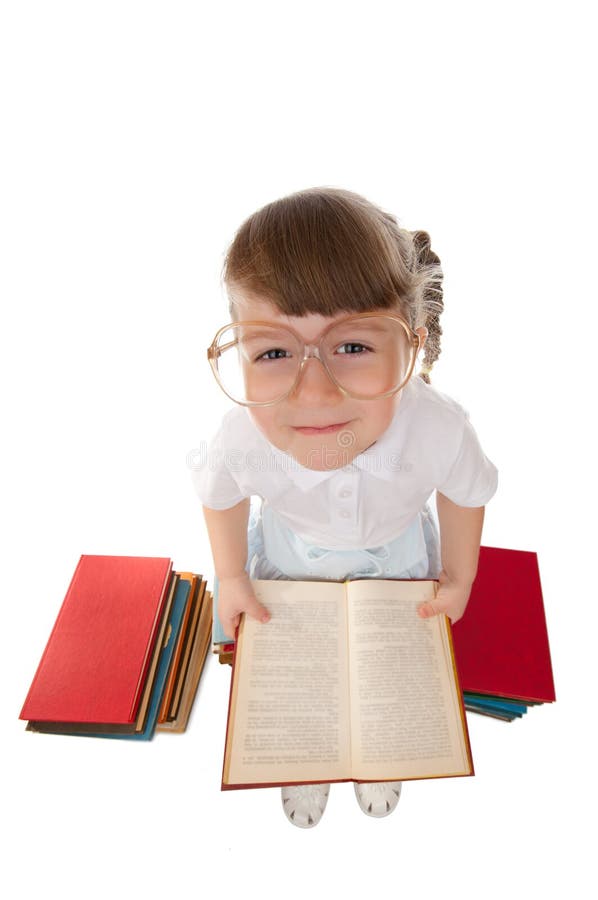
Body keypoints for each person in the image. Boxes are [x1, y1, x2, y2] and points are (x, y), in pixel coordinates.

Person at [193, 186, 497, 828]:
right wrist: (232, 576)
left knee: (392, 661)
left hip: (399, 561)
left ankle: (382, 745)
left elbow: (465, 491)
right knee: (296, 665)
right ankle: (308, 753)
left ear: (411, 347)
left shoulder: (438, 427)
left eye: (352, 347)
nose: (313, 391)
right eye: (273, 353)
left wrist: (460, 576)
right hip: (289, 563)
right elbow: (220, 496)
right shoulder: (243, 436)